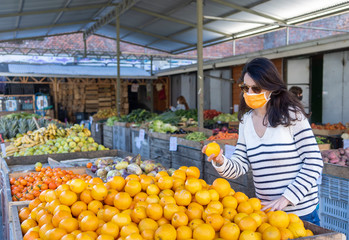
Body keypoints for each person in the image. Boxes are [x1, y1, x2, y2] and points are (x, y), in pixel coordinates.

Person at [202, 57, 323, 225]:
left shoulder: (292, 116)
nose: (249, 93)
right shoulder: (246, 121)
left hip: (301, 215)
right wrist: (220, 161)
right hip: (266, 215)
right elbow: (239, 166)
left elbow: (314, 161)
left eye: (256, 88)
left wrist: (286, 198)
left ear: (271, 87)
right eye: (245, 87)